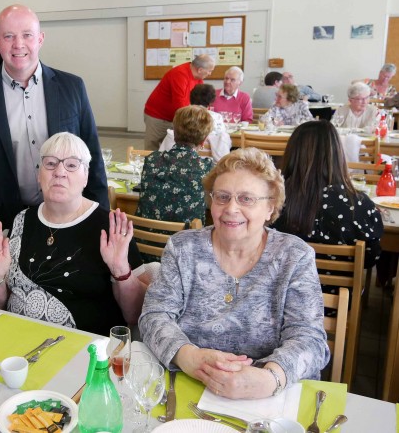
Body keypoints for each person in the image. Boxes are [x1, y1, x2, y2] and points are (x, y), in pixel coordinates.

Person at [139, 147, 330, 399]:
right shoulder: (183, 247)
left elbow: (310, 339)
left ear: (270, 207)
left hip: (268, 397)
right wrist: (188, 356)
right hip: (189, 384)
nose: (231, 208)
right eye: (222, 197)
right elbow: (154, 315)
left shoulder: (294, 256)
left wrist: (271, 377)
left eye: (246, 199)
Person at [0, 4, 108, 230]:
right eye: (9, 36)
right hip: (10, 221)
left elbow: (93, 160)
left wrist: (101, 219)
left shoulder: (72, 88)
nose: (18, 45)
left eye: (27, 35)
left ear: (40, 38)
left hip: (71, 216)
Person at [0, 132, 146, 335]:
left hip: (85, 351)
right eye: (50, 163)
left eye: (71, 165)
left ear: (85, 176)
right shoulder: (22, 219)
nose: (59, 172)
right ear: (39, 175)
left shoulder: (111, 227)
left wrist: (121, 270)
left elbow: (134, 315)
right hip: (17, 342)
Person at [273, 120, 383, 270]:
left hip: (282, 288)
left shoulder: (272, 198)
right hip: (339, 292)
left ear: (292, 153)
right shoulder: (358, 203)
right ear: (337, 154)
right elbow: (371, 258)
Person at [138, 105, 214, 223]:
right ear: (203, 141)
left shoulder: (152, 160)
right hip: (186, 240)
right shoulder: (205, 167)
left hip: (145, 239)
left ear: (174, 134)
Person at [143, 54, 216, 150]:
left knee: (173, 149)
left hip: (176, 117)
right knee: (152, 147)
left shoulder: (198, 78)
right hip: (158, 116)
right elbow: (180, 106)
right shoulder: (180, 74)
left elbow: (200, 101)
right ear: (200, 70)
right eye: (210, 71)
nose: (210, 74)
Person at [159, 84, 231, 162]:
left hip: (178, 160)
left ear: (191, 98)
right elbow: (222, 144)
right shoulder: (217, 118)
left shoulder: (182, 114)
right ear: (211, 101)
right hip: (209, 163)